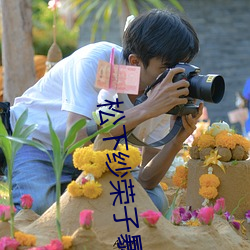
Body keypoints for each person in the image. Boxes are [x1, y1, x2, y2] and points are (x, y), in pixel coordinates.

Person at [6, 9, 202, 215]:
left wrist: (176, 140)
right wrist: (147, 108)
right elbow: (76, 140)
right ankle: (64, 196)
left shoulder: (164, 89)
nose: (175, 76)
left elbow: (146, 180)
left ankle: (70, 198)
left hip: (98, 157)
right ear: (135, 62)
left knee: (152, 202)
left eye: (182, 66)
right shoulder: (98, 62)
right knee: (39, 208)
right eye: (167, 68)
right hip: (37, 143)